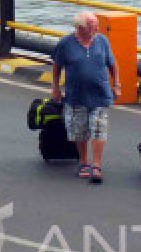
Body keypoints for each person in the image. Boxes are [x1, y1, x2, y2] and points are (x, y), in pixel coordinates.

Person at [50, 12, 121, 184]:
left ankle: (96, 165)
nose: (96, 29)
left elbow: (112, 63)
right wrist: (56, 87)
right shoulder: (65, 44)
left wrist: (117, 84)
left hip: (100, 94)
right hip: (76, 95)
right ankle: (83, 161)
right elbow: (57, 66)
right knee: (79, 131)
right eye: (92, 26)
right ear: (80, 27)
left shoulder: (102, 41)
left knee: (98, 127)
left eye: (96, 25)